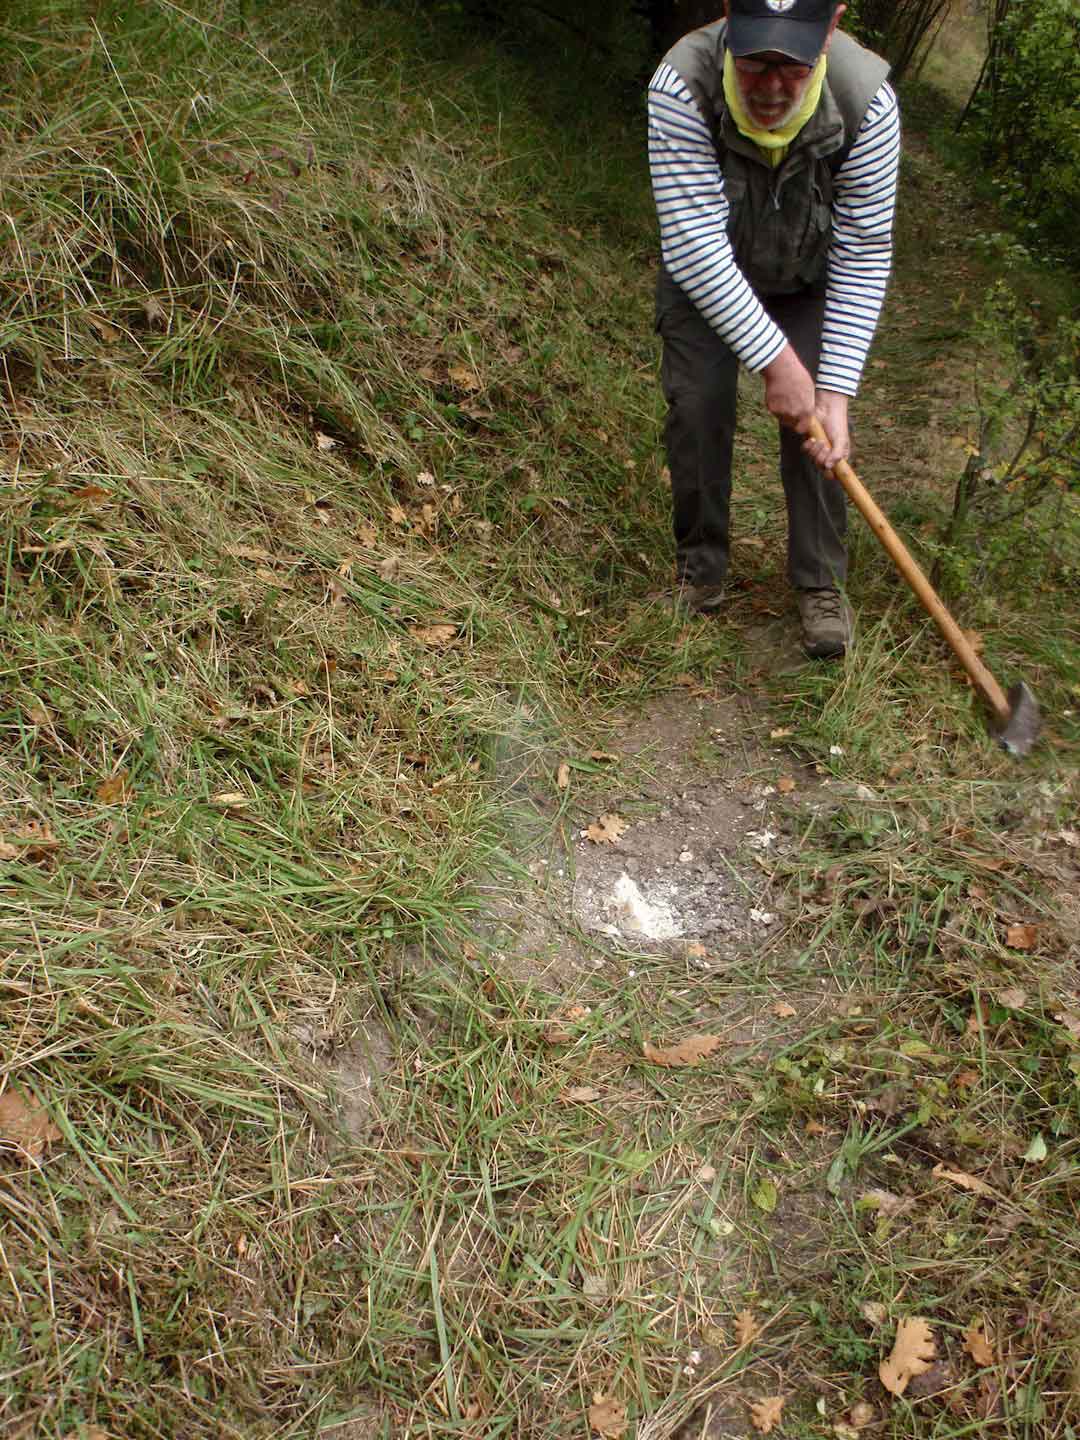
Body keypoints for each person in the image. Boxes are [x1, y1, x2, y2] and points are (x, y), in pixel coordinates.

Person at [648, 0, 900, 657]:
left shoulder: (866, 100)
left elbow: (864, 252)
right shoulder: (681, 84)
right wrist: (774, 361)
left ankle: (821, 585)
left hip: (808, 279)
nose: (770, 86)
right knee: (700, 406)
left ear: (833, 28)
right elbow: (696, 249)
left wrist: (833, 390)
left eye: (791, 66)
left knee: (817, 423)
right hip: (707, 275)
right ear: (730, 17)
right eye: (755, 61)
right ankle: (699, 571)